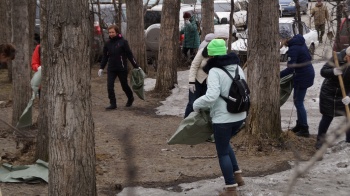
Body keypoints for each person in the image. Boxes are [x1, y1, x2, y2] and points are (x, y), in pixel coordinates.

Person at [193, 39, 245, 196]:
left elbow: (211, 97)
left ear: (211, 56)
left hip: (223, 119)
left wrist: (196, 104)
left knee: (222, 152)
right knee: (225, 144)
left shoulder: (215, 71)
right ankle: (238, 177)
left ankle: (230, 188)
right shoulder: (237, 67)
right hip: (240, 115)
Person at [279, 27, 315, 137]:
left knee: (298, 102)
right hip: (306, 73)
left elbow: (290, 68)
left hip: (302, 76)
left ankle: (304, 128)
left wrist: (277, 75)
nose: (280, 42)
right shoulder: (299, 42)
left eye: (280, 39)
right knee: (297, 101)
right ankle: (299, 124)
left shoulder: (293, 48)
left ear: (285, 38)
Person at [315, 47, 350, 149]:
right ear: (347, 56)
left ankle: (349, 141)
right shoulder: (336, 57)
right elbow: (323, 71)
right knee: (327, 116)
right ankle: (320, 142)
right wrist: (333, 71)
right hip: (329, 92)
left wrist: (349, 96)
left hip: (344, 93)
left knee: (349, 115)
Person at [98, 25, 140, 110]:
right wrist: (101, 67)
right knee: (109, 86)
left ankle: (130, 98)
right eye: (109, 32)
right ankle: (113, 103)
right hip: (111, 68)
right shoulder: (107, 43)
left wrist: (136, 66)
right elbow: (105, 57)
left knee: (124, 85)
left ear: (117, 32)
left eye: (113, 32)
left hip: (122, 68)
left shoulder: (123, 42)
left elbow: (129, 55)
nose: (111, 34)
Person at [184, 33, 216, 118]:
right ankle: (186, 121)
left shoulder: (218, 53)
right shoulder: (202, 52)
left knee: (203, 105)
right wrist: (191, 82)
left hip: (209, 83)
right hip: (197, 81)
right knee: (192, 103)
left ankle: (200, 123)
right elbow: (194, 66)